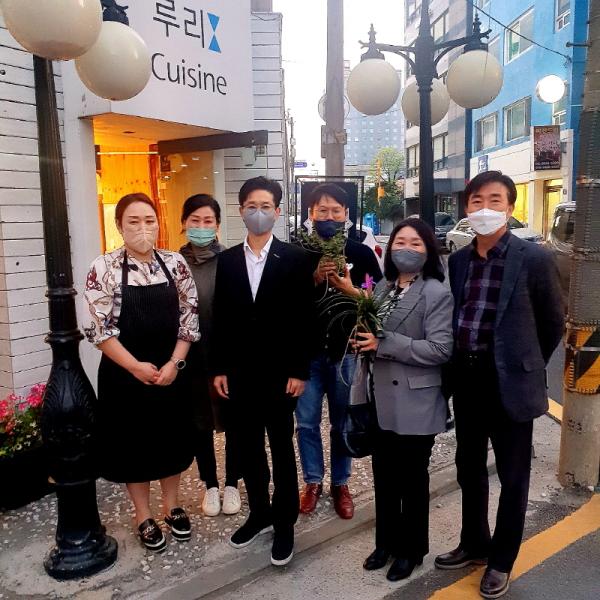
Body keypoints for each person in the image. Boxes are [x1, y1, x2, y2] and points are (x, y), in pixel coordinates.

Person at [434, 171, 564, 599]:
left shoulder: (534, 259)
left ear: (509, 207)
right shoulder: (459, 260)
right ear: (466, 208)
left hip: (510, 383)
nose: (485, 208)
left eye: (494, 200)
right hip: (468, 379)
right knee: (469, 469)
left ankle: (501, 560)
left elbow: (552, 322)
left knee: (513, 475)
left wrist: (523, 364)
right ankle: (474, 543)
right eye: (477, 201)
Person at [84, 193, 199, 553]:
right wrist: (134, 366)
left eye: (149, 220)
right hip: (124, 374)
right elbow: (99, 330)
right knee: (132, 445)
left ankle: (172, 505)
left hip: (170, 370)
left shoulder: (175, 263)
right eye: (133, 221)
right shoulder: (103, 267)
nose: (143, 228)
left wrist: (175, 363)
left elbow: (190, 318)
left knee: (171, 439)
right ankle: (143, 514)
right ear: (119, 225)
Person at [211, 176, 314, 567]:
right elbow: (221, 317)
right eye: (252, 206)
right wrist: (219, 368)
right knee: (248, 447)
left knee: (282, 448)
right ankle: (259, 513)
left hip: (280, 374)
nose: (259, 212)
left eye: (266, 206)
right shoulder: (227, 261)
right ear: (241, 211)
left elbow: (304, 319)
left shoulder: (296, 259)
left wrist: (299, 370)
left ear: (277, 211)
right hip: (239, 374)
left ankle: (284, 521)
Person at [353, 218, 453, 582]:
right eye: (400, 242)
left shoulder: (436, 293)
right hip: (380, 398)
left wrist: (384, 344)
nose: (406, 249)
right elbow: (372, 333)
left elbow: (440, 349)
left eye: (415, 243)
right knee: (384, 477)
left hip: (416, 401)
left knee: (412, 481)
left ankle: (411, 550)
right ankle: (385, 543)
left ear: (428, 251)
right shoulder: (382, 287)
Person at [296, 183, 382, 520]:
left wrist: (349, 289)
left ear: (346, 214)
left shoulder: (361, 253)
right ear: (311, 214)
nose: (329, 217)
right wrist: (314, 278)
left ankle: (340, 483)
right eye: (322, 211)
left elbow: (379, 300)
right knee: (306, 423)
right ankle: (313, 481)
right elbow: (285, 300)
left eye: (335, 211)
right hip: (307, 354)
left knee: (342, 422)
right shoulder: (298, 252)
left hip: (346, 351)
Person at [179, 194, 241, 517]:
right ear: (184, 223)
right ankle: (211, 485)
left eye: (208, 221)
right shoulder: (174, 263)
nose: (201, 227)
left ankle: (232, 483)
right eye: (195, 220)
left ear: (217, 225)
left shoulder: (231, 260)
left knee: (233, 419)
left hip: (227, 355)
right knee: (199, 422)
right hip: (190, 356)